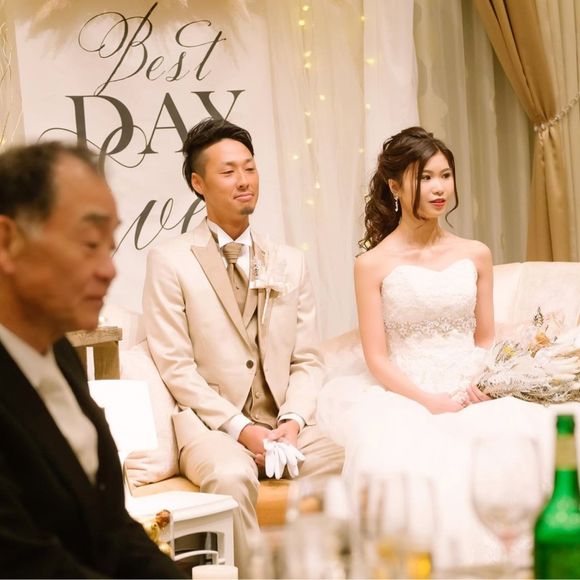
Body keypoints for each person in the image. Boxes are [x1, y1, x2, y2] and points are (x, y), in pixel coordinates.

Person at [316, 127, 551, 568]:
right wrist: (428, 402)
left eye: (445, 175)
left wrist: (487, 383)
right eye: (424, 178)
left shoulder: (475, 253)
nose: (439, 187)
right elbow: (377, 357)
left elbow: (485, 339)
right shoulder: (371, 264)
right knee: (417, 459)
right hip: (407, 391)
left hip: (471, 383)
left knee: (524, 439)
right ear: (394, 187)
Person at [142, 118, 344, 574]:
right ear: (199, 183)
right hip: (213, 428)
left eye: (250, 168)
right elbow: (176, 367)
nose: (244, 181)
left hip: (282, 423)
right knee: (231, 476)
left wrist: (292, 422)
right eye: (229, 171)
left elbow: (307, 359)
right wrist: (241, 429)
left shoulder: (289, 261)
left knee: (340, 457)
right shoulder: (169, 261)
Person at [0, 142, 185, 578]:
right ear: (7, 242)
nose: (109, 269)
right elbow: (27, 565)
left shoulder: (60, 354)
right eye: (88, 244)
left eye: (109, 246)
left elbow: (111, 528)